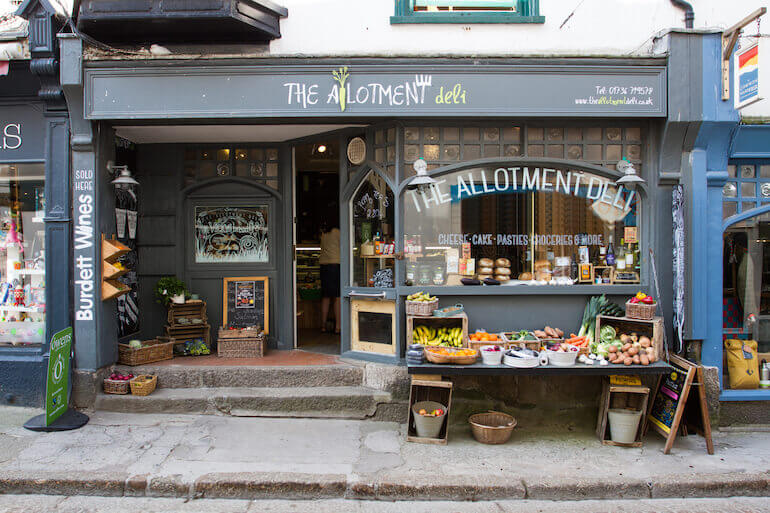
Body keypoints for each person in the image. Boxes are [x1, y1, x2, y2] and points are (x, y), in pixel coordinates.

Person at [319, 219, 341, 334]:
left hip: (323, 266)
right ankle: (338, 327)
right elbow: (346, 246)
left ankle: (323, 325)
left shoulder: (323, 233)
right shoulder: (337, 232)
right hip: (335, 266)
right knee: (337, 297)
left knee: (326, 297)